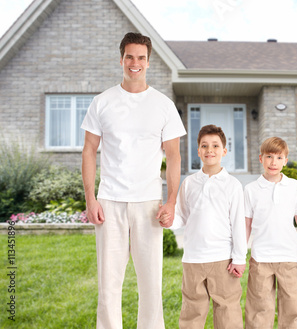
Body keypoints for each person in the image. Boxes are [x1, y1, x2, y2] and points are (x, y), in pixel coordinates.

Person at [81, 32, 186, 329]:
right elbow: (89, 151)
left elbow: (174, 156)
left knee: (151, 283)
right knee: (109, 283)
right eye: (130, 57)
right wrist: (91, 199)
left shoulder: (163, 105)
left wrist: (171, 201)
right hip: (110, 201)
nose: (135, 63)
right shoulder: (103, 102)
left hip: (148, 203)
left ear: (149, 62)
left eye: (141, 57)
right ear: (121, 59)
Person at [162, 125, 246, 329]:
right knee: (192, 311)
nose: (210, 150)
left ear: (224, 151)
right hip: (193, 259)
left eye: (215, 146)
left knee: (228, 311)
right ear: (198, 151)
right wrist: (168, 220)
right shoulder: (189, 183)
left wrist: (239, 258)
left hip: (223, 260)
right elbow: (182, 217)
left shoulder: (232, 185)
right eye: (204, 146)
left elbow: (238, 224)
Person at [244, 137, 297, 329]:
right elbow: (246, 224)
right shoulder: (250, 190)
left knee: (293, 309)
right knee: (259, 311)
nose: (273, 162)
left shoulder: (293, 186)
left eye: (279, 157)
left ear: (285, 160)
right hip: (260, 259)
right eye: (269, 156)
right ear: (261, 158)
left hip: (289, 258)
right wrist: (238, 254)